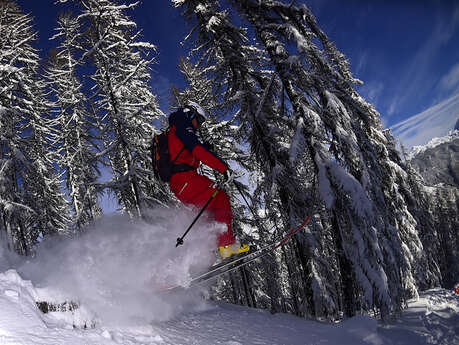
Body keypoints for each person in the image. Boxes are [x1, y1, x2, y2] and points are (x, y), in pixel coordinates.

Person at [167, 102, 249, 259]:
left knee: (207, 209)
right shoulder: (183, 124)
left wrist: (204, 146)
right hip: (185, 179)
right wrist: (222, 167)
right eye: (199, 120)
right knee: (220, 197)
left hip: (180, 183)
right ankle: (225, 245)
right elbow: (197, 151)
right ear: (190, 114)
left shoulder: (177, 128)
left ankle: (206, 249)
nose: (199, 126)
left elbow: (182, 151)